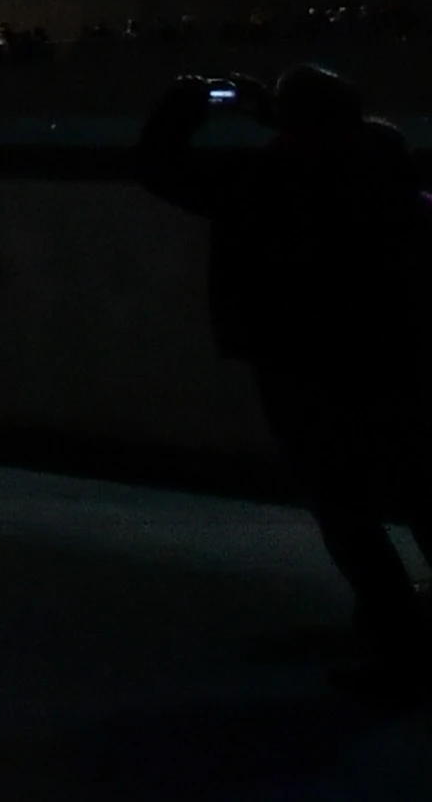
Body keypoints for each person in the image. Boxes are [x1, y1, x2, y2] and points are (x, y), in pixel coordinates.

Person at [137, 67, 432, 687]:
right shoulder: (386, 169)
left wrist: (192, 102)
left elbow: (159, 166)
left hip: (302, 362)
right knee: (419, 492)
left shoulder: (261, 184)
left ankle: (401, 643)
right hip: (396, 356)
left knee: (344, 508)